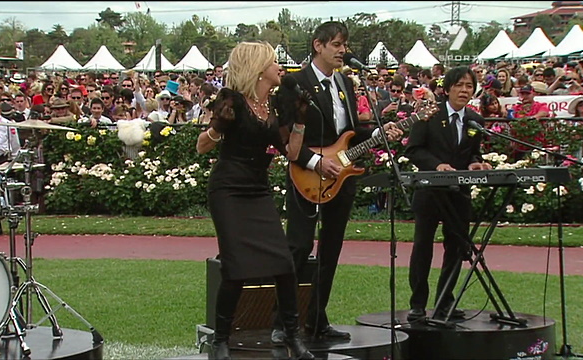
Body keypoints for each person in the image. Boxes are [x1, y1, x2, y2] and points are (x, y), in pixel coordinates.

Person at [271, 21, 403, 343]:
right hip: (307, 173)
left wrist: (376, 134)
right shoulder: (293, 83)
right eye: (337, 45)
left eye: (344, 45)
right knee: (299, 246)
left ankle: (317, 319)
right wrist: (316, 161)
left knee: (331, 250)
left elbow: (349, 133)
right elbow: (283, 137)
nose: (344, 51)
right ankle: (281, 321)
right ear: (318, 45)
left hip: (341, 177)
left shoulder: (346, 82)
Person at [195, 41, 314, 360]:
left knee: (284, 265)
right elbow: (202, 146)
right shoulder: (231, 100)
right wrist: (219, 126)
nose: (280, 68)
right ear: (259, 68)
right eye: (275, 62)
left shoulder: (274, 107)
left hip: (258, 189)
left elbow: (291, 152)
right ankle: (221, 339)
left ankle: (293, 337)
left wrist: (300, 120)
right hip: (229, 189)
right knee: (236, 267)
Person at [404, 66, 492, 322]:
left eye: (469, 86)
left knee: (455, 248)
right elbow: (413, 150)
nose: (464, 91)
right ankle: (418, 303)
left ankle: (445, 301)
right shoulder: (429, 115)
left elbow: (473, 152)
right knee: (423, 246)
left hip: (459, 194)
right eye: (460, 85)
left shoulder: (476, 120)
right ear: (448, 88)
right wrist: (436, 165)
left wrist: (477, 162)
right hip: (430, 192)